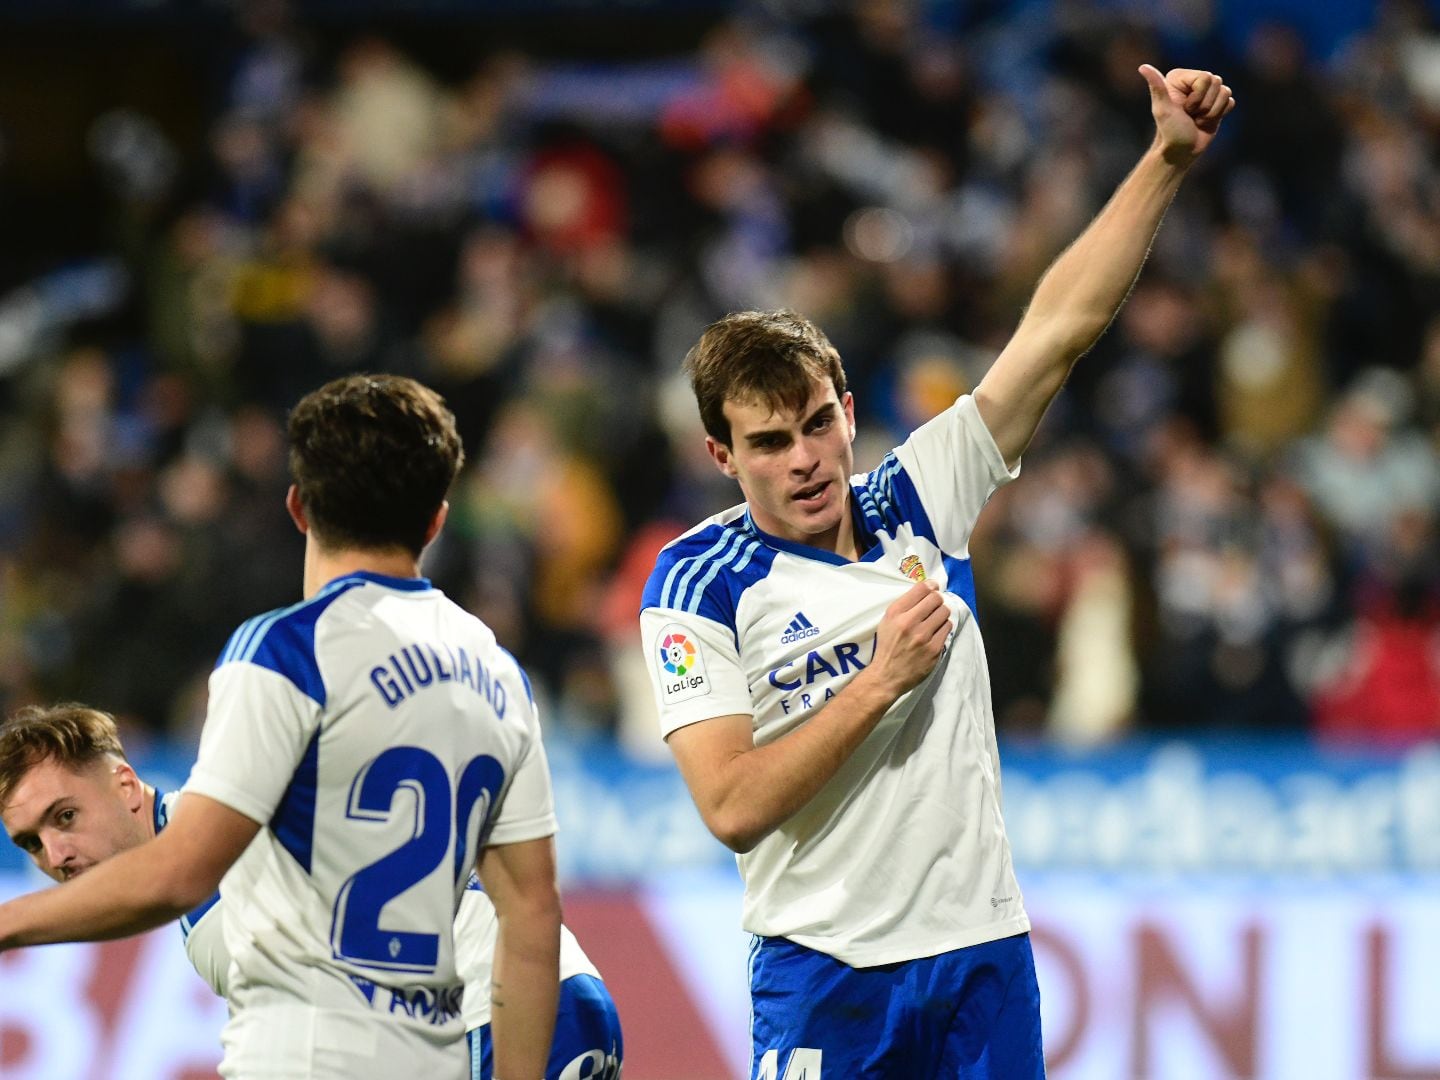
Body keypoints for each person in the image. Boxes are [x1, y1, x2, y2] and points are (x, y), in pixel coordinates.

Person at [639, 66, 1235, 1077]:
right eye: (771, 440)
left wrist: (1164, 163)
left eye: (820, 423)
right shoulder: (698, 583)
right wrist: (879, 679)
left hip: (978, 957)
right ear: (721, 458)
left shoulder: (916, 499)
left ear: (849, 412)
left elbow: (1056, 332)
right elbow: (731, 806)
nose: (807, 458)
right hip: (823, 968)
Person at [0, 374, 562, 1080]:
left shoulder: (287, 651)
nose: (52, 852)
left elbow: (180, 871)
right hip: (466, 1042)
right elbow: (535, 915)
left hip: (313, 1054)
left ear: (298, 507)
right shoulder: (496, 668)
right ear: (436, 521)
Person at [0, 702, 625, 1080]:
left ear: (126, 786)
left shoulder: (223, 819)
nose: (56, 855)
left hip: (505, 1019)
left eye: (64, 817)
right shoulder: (198, 888)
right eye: (31, 843)